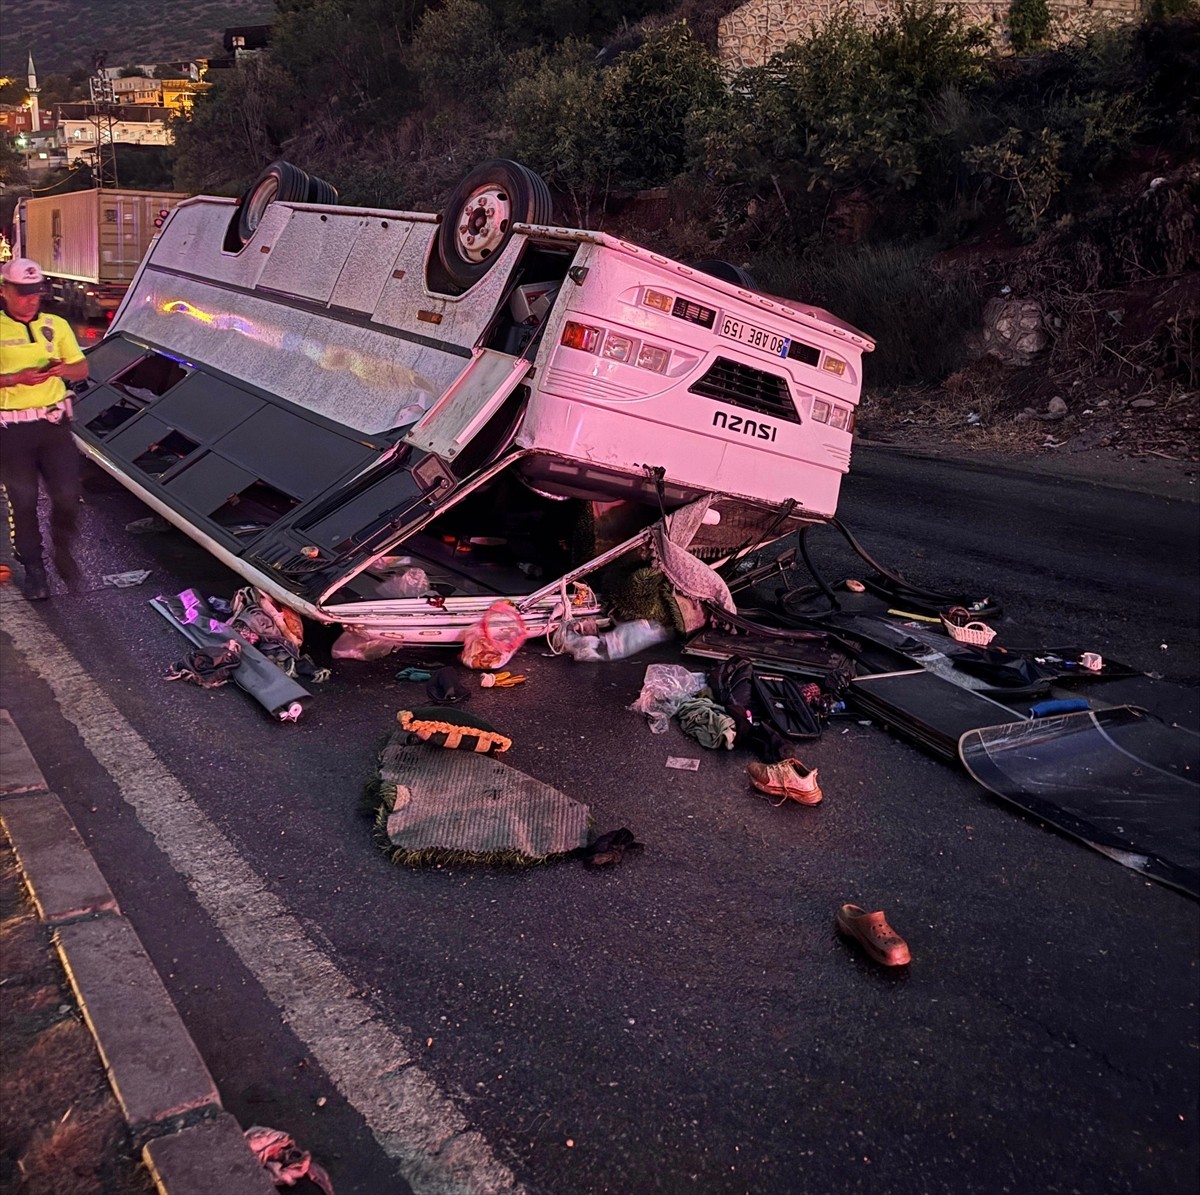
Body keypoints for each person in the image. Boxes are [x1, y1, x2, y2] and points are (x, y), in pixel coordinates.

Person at [0, 257, 90, 600]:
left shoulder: (56, 324)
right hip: (11, 431)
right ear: (5, 291)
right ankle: (34, 567)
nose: (30, 300)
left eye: (35, 293)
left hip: (53, 426)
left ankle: (62, 549)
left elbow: (82, 369)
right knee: (22, 500)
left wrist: (61, 369)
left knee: (68, 496)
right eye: (22, 293)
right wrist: (15, 379)